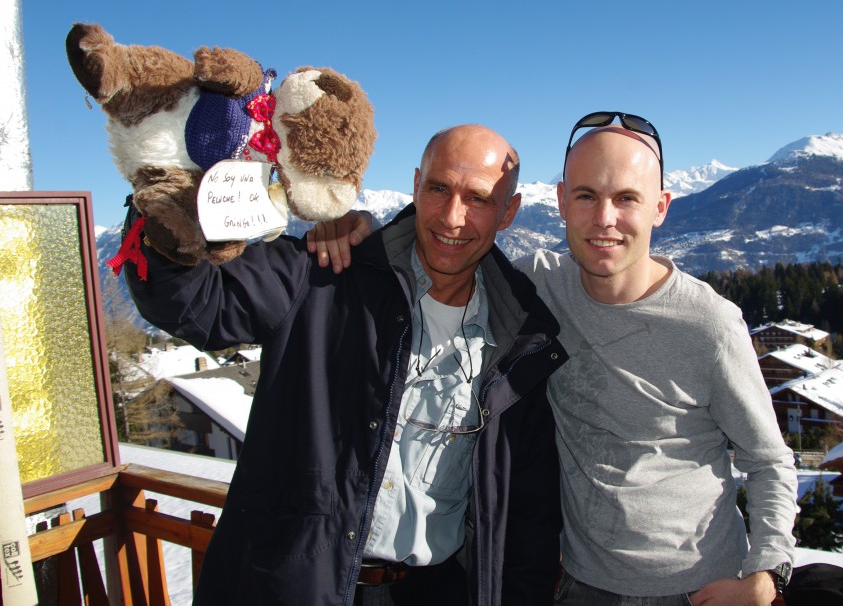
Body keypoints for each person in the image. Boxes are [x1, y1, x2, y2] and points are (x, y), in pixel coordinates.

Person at [310, 112, 799, 606]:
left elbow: (768, 459)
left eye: (626, 198)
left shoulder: (708, 324)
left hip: (695, 588)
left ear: (661, 207)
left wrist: (767, 573)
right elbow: (447, 249)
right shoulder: (535, 288)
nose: (604, 219)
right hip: (573, 585)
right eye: (586, 196)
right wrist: (358, 228)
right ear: (562, 201)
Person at [124, 124, 568, 606]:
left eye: (478, 199)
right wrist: (174, 185)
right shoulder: (323, 274)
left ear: (509, 213)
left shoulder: (520, 338)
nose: (452, 217)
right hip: (293, 588)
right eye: (439, 188)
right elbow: (190, 302)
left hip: (433, 591)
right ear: (416, 184)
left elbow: (528, 516)